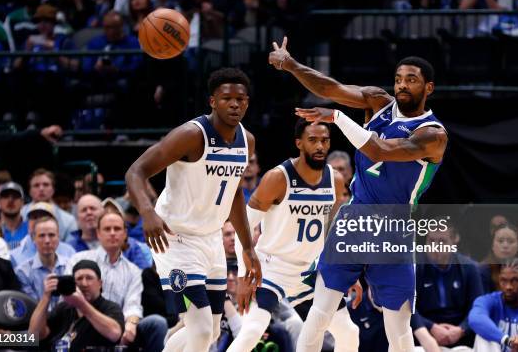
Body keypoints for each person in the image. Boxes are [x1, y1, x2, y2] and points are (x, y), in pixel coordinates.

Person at [269, 38, 448, 352]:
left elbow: (379, 149)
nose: (402, 85)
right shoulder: (378, 102)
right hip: (355, 219)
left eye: (412, 80)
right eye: (398, 79)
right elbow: (330, 88)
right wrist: (290, 63)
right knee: (320, 314)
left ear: (428, 88)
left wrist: (337, 118)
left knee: (400, 332)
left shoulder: (432, 134)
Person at [125, 67, 262, 352]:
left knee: (210, 332)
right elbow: (136, 171)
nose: (235, 104)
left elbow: (234, 192)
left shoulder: (246, 141)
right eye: (227, 98)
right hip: (175, 240)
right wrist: (147, 212)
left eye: (241, 99)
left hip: (211, 239)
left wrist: (247, 248)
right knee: (198, 330)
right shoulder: (191, 135)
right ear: (212, 101)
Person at [227, 118, 359, 352]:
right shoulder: (278, 178)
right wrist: (243, 274)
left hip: (311, 270)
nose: (320, 146)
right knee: (252, 330)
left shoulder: (336, 181)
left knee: (349, 331)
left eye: (324, 141)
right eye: (313, 140)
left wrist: (347, 272)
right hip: (272, 268)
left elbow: (333, 234)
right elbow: (244, 227)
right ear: (299, 143)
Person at [66, 211, 168, 351]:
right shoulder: (78, 260)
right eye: (107, 229)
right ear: (98, 233)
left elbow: (133, 305)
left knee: (157, 323)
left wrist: (131, 324)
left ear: (125, 233)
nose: (113, 233)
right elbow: (68, 297)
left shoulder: (133, 271)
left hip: (120, 328)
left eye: (117, 229)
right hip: (85, 321)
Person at [413, 225, 483, 349]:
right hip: (423, 336)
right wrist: (431, 327)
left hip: (461, 336)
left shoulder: (469, 267)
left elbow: (477, 307)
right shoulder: (414, 267)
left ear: (454, 241)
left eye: (442, 241)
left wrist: (462, 329)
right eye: (431, 241)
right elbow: (407, 307)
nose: (435, 246)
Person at [28, 260, 125, 351]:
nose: (84, 283)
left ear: (100, 284)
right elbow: (34, 336)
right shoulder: (64, 308)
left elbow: (115, 333)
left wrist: (82, 305)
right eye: (79, 279)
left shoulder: (109, 307)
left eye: (89, 278)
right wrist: (46, 296)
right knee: (15, 341)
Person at [15, 216, 69, 310]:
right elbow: (30, 308)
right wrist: (46, 295)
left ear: (58, 237)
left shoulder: (70, 265)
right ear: (33, 239)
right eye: (41, 236)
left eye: (51, 235)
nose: (47, 241)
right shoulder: (23, 272)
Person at [10, 201, 76, 267]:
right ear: (28, 223)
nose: (38, 221)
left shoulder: (68, 252)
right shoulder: (14, 256)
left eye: (44, 217)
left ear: (55, 223)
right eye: (35, 217)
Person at [21, 168, 78, 241]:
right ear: (29, 191)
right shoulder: (20, 215)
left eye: (46, 185)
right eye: (36, 185)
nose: (41, 188)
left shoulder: (68, 220)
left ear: (53, 189)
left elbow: (71, 248)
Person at [0, 181, 27, 249]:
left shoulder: (32, 229)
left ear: (22, 203)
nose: (10, 200)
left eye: (15, 196)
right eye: (5, 196)